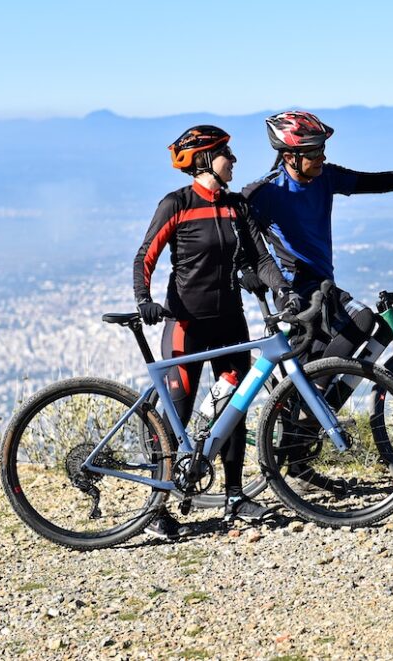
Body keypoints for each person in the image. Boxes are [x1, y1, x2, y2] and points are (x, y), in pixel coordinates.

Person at [133, 125, 295, 540]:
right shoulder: (178, 204)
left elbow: (260, 258)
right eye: (227, 154)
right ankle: (156, 510)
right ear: (206, 160)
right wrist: (144, 299)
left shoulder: (235, 206)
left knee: (234, 408)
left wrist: (283, 291)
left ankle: (234, 497)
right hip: (185, 323)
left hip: (230, 322)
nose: (235, 161)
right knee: (177, 413)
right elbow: (145, 256)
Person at [243, 110, 393, 364]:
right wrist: (246, 268)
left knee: (319, 359)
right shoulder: (265, 191)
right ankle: (317, 399)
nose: (322, 156)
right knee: (362, 320)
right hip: (295, 291)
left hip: (323, 284)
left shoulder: (325, 177)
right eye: (313, 152)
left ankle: (314, 400)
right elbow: (237, 230)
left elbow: (375, 182)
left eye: (323, 148)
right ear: (289, 157)